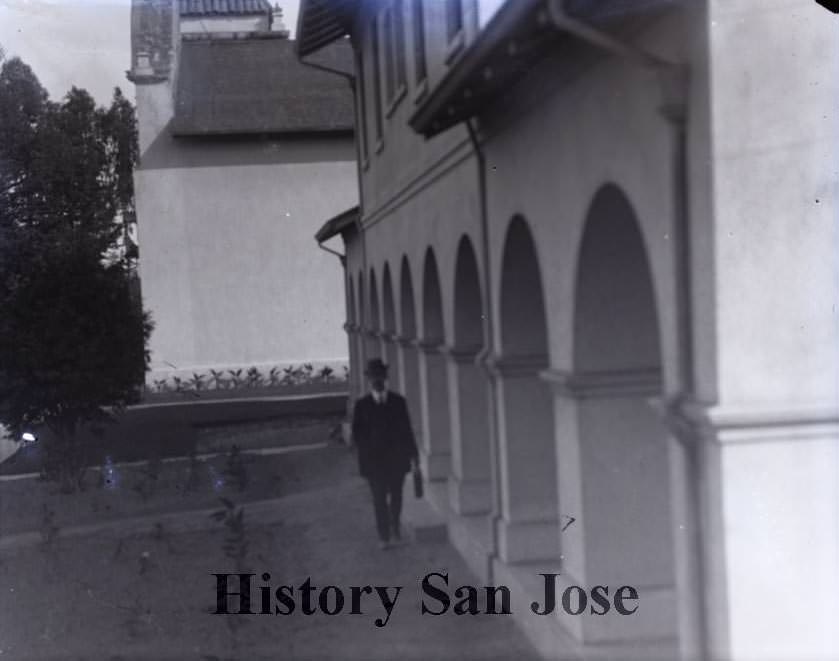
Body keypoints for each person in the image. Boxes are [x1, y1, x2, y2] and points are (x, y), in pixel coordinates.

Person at [351, 358, 419, 549]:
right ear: (369, 380)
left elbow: (407, 430)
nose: (377, 381)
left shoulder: (398, 402)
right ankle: (384, 536)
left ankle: (395, 527)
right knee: (379, 499)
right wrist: (367, 453)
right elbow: (358, 436)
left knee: (396, 496)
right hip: (374, 463)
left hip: (397, 460)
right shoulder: (362, 406)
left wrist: (414, 455)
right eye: (373, 377)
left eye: (380, 376)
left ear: (386, 377)